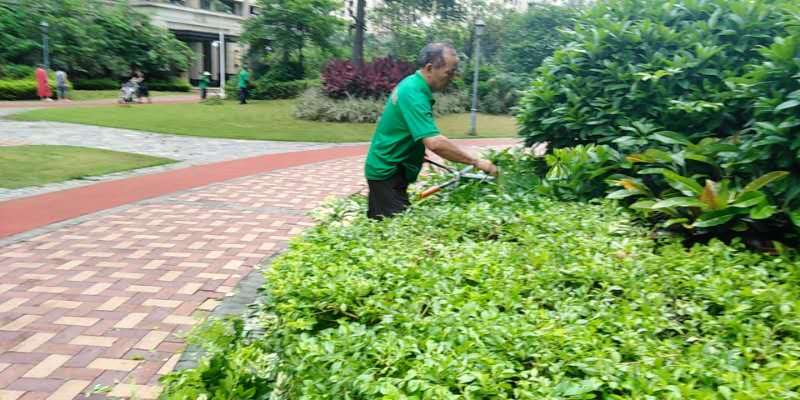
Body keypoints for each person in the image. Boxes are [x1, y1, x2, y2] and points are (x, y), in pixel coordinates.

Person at [364, 42, 498, 220]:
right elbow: (435, 142)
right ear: (429, 68)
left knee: (386, 225)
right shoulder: (414, 93)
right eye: (449, 72)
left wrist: (415, 151)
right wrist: (476, 162)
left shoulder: (413, 85)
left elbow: (404, 128)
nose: (452, 78)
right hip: (387, 172)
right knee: (397, 230)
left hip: (391, 169)